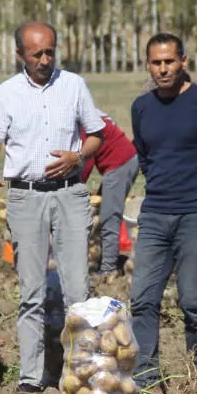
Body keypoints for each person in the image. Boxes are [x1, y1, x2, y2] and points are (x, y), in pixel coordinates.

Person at [0, 22, 104, 394]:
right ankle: (31, 377)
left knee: (78, 290)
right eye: (37, 54)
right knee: (31, 292)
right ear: (20, 55)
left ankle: (82, 369)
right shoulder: (6, 93)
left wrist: (77, 155)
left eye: (50, 52)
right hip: (26, 198)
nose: (45, 60)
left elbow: (96, 135)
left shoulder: (74, 85)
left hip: (69, 194)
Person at [129, 32, 197, 388]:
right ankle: (146, 377)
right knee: (143, 298)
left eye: (169, 62)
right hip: (155, 214)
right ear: (148, 65)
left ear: (183, 63)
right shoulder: (141, 107)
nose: (163, 69)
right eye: (156, 63)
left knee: (191, 298)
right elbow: (145, 157)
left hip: (196, 215)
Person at [80, 113, 139, 277]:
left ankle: (108, 269)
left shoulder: (81, 122)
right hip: (119, 162)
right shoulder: (83, 115)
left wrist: (75, 188)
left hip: (120, 164)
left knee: (109, 217)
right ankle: (99, 258)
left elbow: (85, 160)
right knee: (102, 213)